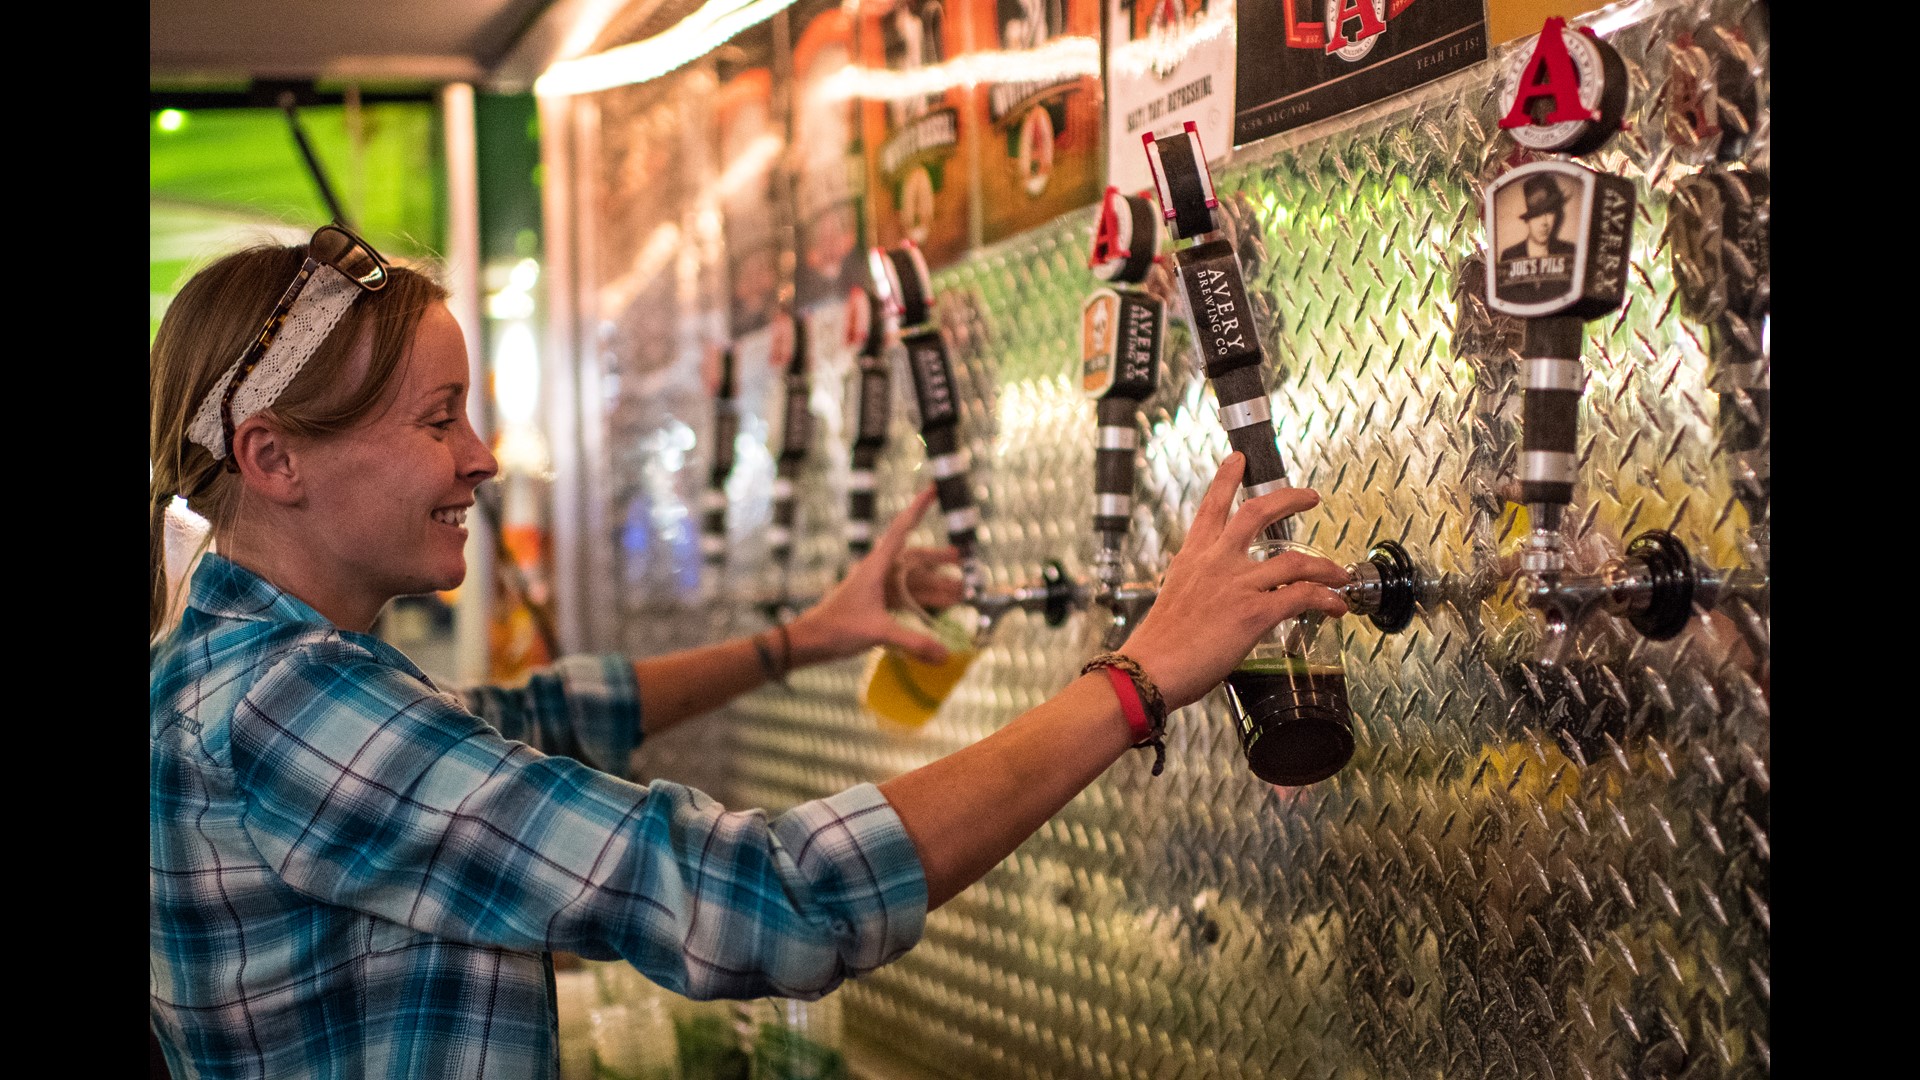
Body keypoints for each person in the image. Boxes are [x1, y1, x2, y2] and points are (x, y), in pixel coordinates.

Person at [149, 226, 1350, 1080]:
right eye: (435, 417)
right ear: (274, 459)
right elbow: (764, 904)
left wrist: (804, 639)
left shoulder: (239, 668)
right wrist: (1137, 681)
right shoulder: (286, 705)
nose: (481, 456)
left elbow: (533, 721)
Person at [1496, 172, 1577, 306]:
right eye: (1537, 214)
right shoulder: (1510, 256)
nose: (1545, 222)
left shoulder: (1570, 252)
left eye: (1550, 212)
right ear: (1528, 219)